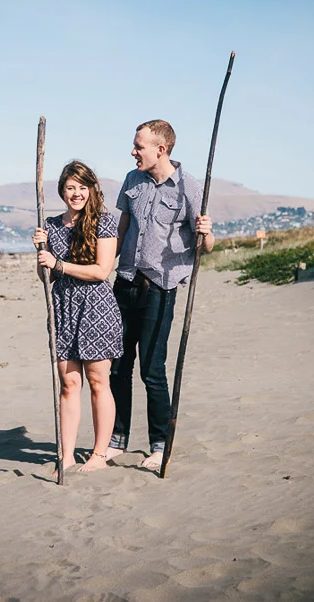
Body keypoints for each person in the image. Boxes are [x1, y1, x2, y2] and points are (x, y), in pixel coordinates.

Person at [106, 119, 214, 469]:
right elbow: (122, 227)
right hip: (124, 282)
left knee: (152, 370)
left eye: (139, 146)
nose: (133, 151)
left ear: (160, 149)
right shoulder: (132, 179)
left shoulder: (189, 188)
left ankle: (158, 444)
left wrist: (206, 233)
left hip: (160, 287)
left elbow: (206, 246)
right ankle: (117, 439)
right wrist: (103, 268)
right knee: (118, 366)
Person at [33, 160, 122, 473]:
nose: (76, 193)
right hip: (63, 309)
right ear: (61, 190)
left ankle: (99, 454)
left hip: (97, 309)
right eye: (70, 187)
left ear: (91, 189)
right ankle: (67, 455)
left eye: (82, 187)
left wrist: (58, 264)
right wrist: (40, 255)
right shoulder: (52, 226)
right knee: (69, 384)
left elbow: (101, 271)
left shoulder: (103, 222)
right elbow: (46, 279)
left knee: (98, 382)